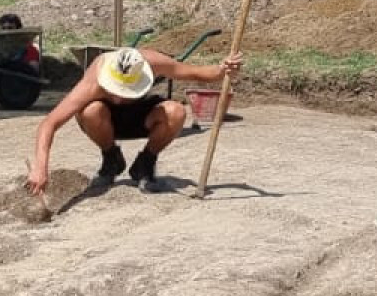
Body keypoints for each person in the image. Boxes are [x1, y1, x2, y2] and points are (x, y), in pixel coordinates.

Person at [27, 45, 242, 195]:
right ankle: (111, 159)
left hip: (141, 116)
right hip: (106, 121)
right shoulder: (94, 79)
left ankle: (144, 164)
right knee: (91, 111)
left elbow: (196, 73)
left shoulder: (153, 62)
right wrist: (40, 167)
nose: (120, 97)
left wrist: (222, 69)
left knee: (176, 111)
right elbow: (49, 123)